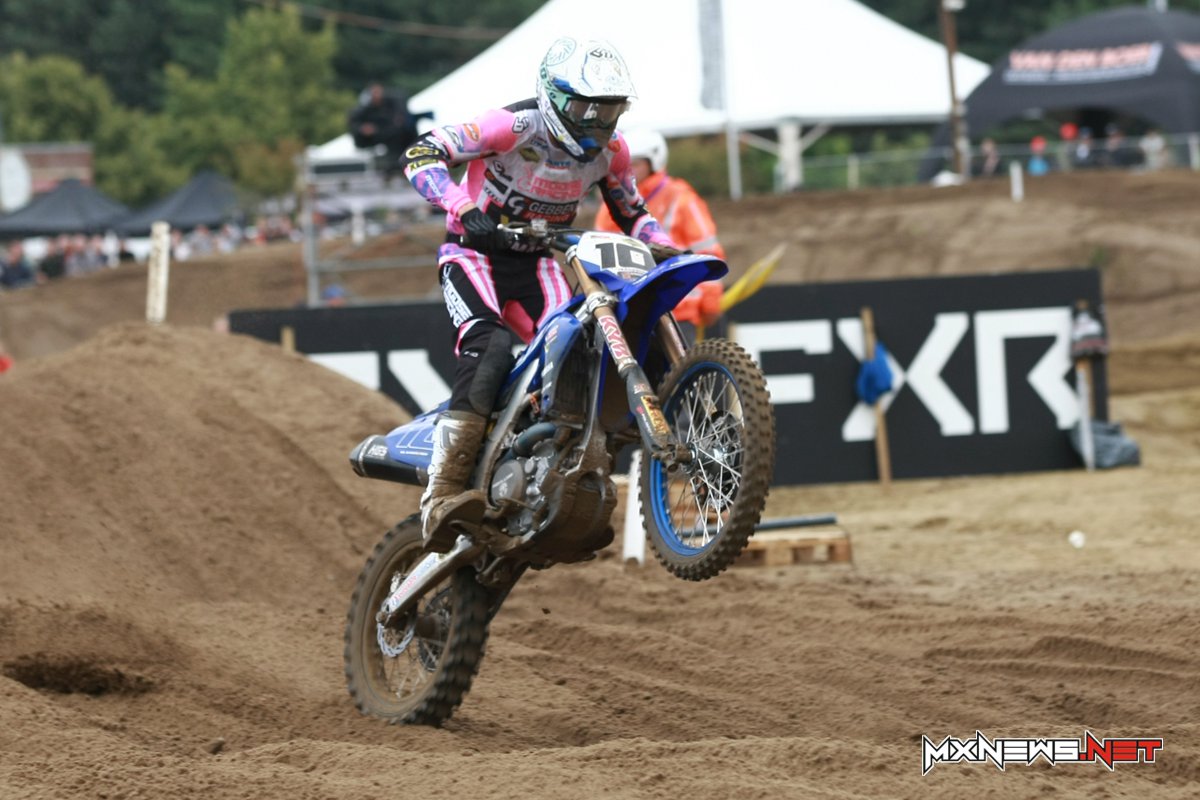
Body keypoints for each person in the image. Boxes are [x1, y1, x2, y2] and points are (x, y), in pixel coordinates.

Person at [398, 36, 680, 552]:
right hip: (474, 255)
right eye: (586, 109)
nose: (596, 124)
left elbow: (633, 212)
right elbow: (421, 154)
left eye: (608, 111)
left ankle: (558, 481)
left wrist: (665, 247)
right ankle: (442, 495)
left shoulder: (613, 153)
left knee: (580, 351)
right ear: (555, 97)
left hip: (540, 262)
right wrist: (464, 208)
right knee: (489, 348)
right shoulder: (511, 126)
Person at [593, 128, 726, 330]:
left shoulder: (681, 199)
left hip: (679, 311)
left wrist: (710, 302)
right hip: (628, 313)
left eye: (635, 164)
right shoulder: (609, 207)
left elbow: (707, 251)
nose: (629, 171)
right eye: (626, 165)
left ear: (653, 163)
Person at [348, 82, 421, 176]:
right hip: (378, 136)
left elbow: (400, 120)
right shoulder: (366, 109)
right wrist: (362, 128)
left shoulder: (393, 104)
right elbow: (354, 121)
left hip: (397, 136)